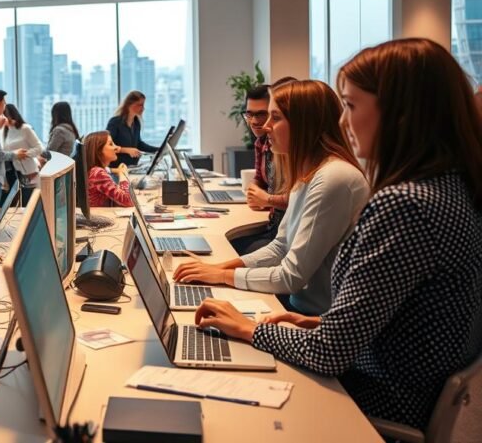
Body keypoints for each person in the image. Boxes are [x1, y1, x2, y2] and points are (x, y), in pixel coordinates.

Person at [194, 38, 482, 431]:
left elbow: (328, 354)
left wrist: (249, 328)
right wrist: (316, 323)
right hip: (407, 382)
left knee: (222, 407)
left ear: (399, 114)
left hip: (383, 395)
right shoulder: (450, 187)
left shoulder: (406, 206)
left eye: (350, 105)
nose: (343, 122)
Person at [174, 80, 369, 315]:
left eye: (275, 118)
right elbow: (280, 246)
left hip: (313, 317)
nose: (265, 126)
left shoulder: (333, 178)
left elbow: (291, 277)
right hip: (297, 305)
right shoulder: (309, 173)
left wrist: (222, 275)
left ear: (304, 124)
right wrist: (218, 268)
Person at [229, 82, 290, 256]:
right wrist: (254, 189)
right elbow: (259, 178)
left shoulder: (287, 150)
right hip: (273, 225)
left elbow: (299, 198)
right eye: (249, 114)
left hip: (282, 233)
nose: (255, 121)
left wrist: (267, 199)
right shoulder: (261, 143)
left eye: (262, 114)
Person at [106, 90, 158, 169]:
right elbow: (107, 146)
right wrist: (127, 150)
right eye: (140, 105)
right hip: (117, 169)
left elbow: (139, 144)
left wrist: (158, 150)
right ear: (129, 105)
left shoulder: (136, 122)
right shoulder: (115, 122)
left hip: (131, 168)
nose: (143, 108)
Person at [1, 103, 44, 201]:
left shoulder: (25, 128)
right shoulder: (6, 131)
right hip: (16, 175)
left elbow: (40, 148)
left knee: (32, 204)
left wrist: (25, 154)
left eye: (3, 115)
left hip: (31, 173)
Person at [82, 131, 133, 208]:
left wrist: (118, 170)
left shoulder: (95, 170)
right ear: (99, 151)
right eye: (111, 144)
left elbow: (108, 169)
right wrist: (122, 174)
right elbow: (128, 200)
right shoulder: (97, 173)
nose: (117, 148)